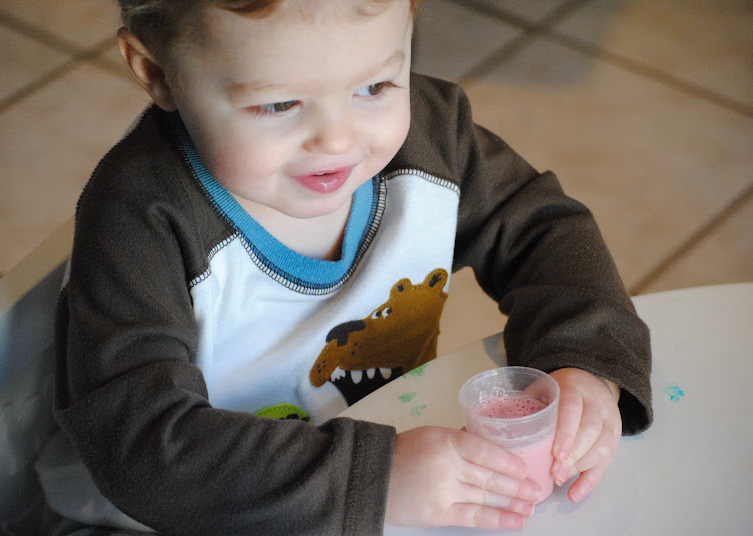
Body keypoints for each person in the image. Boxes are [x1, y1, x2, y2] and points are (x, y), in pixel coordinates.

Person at [37, 0, 653, 534]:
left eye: (376, 87)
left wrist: (585, 359)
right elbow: (141, 444)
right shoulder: (138, 221)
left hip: (376, 472)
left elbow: (545, 231)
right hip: (165, 516)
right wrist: (376, 480)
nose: (338, 140)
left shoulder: (435, 140)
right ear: (157, 74)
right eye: (279, 104)